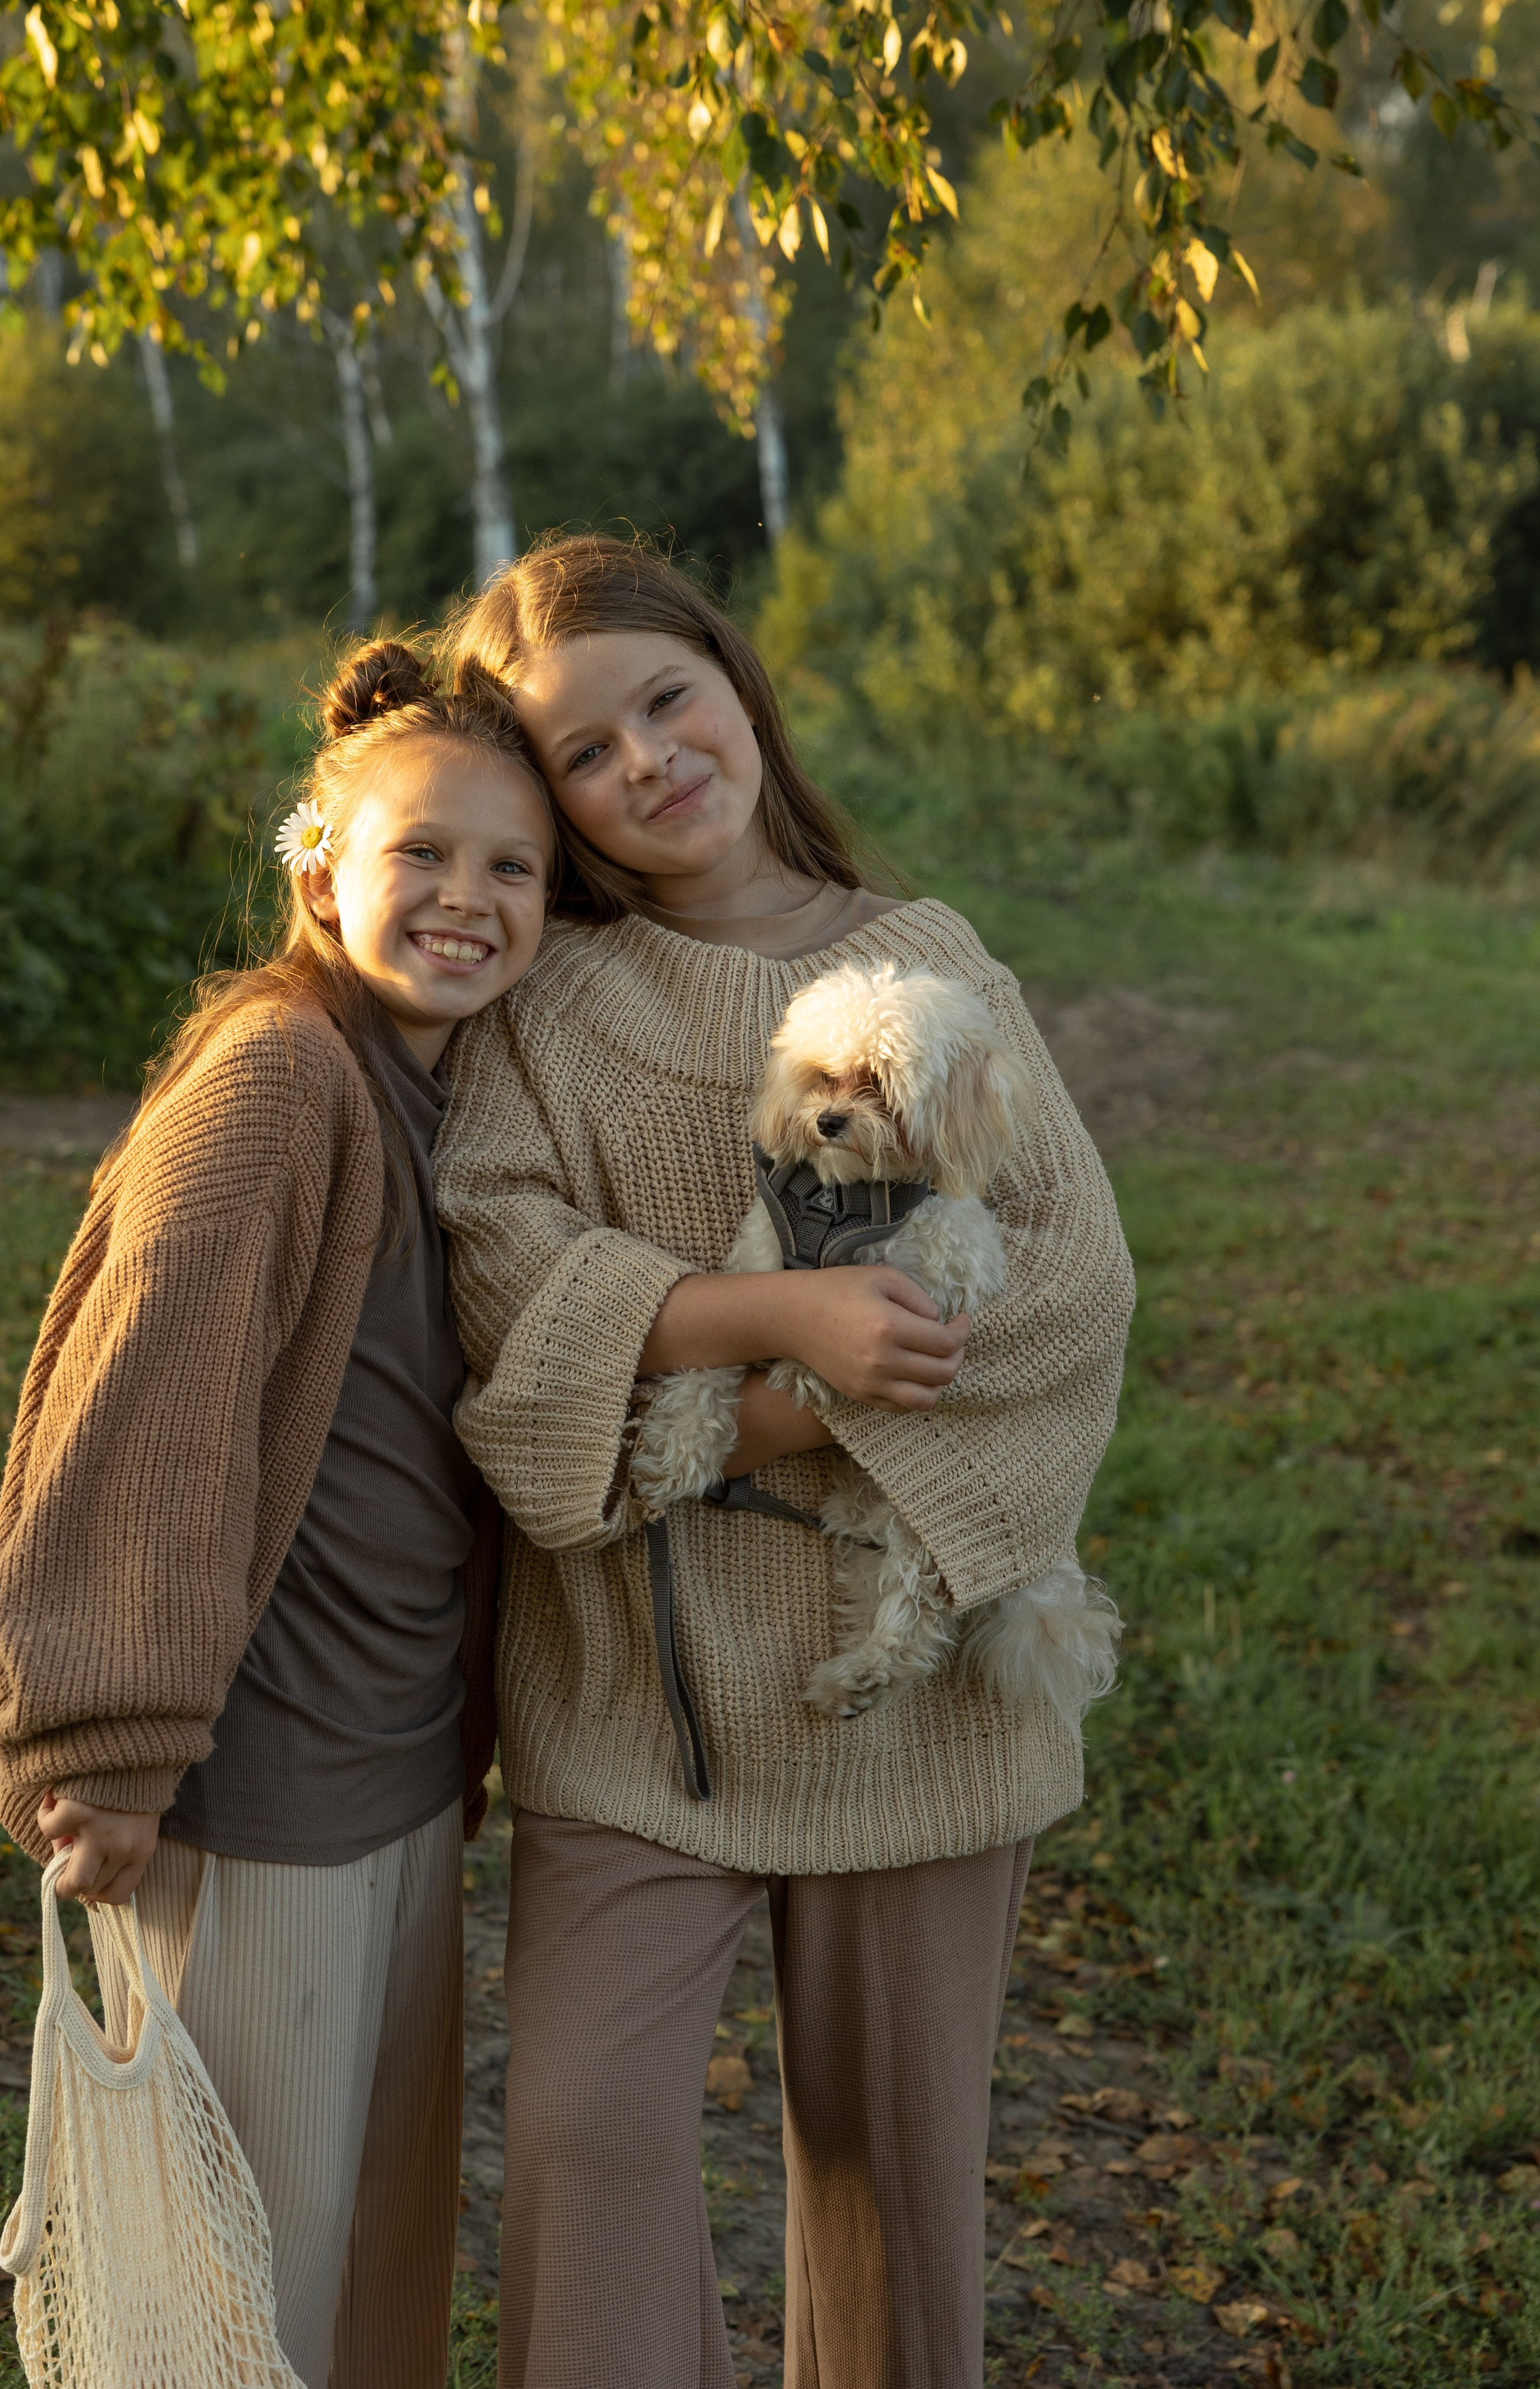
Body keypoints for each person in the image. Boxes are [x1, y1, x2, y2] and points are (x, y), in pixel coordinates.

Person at [433, 535, 1137, 2389]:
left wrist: (847, 1391)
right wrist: (763, 1348)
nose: (648, 760)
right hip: (636, 1699)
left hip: (900, 1716)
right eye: (584, 752)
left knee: (898, 2184)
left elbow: (1072, 1284)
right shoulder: (555, 1002)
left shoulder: (933, 962)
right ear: (555, 800)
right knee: (583, 2138)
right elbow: (502, 1272)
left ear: (735, 684)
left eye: (667, 699)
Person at [0, 641, 557, 2389]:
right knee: (233, 2296)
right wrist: (112, 1747)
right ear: (319, 869)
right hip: (257, 1790)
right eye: (421, 856)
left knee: (372, 2266)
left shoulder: (449, 1089)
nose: (466, 898)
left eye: (511, 866)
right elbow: (143, 1411)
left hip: (394, 1775)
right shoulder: (275, 1080)